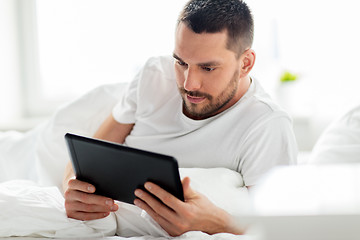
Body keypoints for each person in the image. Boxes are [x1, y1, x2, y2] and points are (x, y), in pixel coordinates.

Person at [63, 0, 297, 236]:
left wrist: (216, 224)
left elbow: (282, 230)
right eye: (181, 62)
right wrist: (73, 189)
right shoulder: (153, 76)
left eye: (208, 68)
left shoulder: (267, 124)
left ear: (245, 63)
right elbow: (84, 157)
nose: (189, 84)